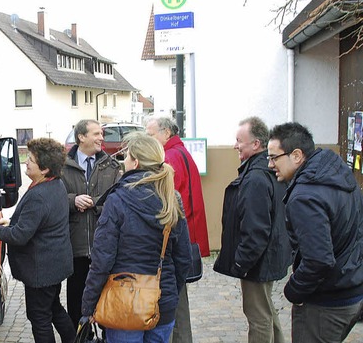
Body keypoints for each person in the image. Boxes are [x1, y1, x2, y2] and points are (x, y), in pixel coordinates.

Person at [81, 132, 192, 343]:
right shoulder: (171, 197)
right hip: (162, 299)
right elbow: (183, 258)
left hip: (124, 300)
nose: (124, 162)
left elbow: (102, 259)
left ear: (136, 162)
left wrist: (88, 305)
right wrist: (170, 293)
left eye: (127, 157)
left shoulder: (118, 199)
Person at [267, 122, 363, 342]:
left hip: (326, 303)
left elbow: (318, 260)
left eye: (274, 157)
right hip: (351, 291)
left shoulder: (305, 195)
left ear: (297, 155)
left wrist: (293, 290)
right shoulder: (336, 174)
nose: (270, 164)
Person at [0, 138, 75, 343]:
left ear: (44, 169)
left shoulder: (39, 194)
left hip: (41, 269)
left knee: (39, 317)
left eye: (31, 160)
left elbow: (20, 236)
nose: (26, 162)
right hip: (54, 265)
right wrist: (13, 221)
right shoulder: (56, 185)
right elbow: (39, 222)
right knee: (54, 308)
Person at [213, 117, 292, 343]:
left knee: (258, 317)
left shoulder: (256, 177)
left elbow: (255, 230)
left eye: (239, 140)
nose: (235, 145)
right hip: (266, 257)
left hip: (257, 262)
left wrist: (241, 262)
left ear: (256, 144)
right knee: (266, 310)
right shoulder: (268, 170)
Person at [145, 116, 209, 343]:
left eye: (151, 135)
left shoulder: (169, 157)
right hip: (187, 234)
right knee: (179, 300)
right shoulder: (180, 152)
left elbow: (166, 201)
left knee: (174, 302)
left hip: (175, 240)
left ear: (166, 133)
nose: (148, 139)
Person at [61, 119, 122, 329]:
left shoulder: (112, 167)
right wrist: (72, 200)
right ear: (81, 137)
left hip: (103, 248)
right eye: (96, 134)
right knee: (76, 307)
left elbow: (118, 201)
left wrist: (94, 203)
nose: (101, 138)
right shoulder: (62, 167)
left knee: (107, 307)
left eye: (101, 134)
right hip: (74, 247)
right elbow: (54, 197)